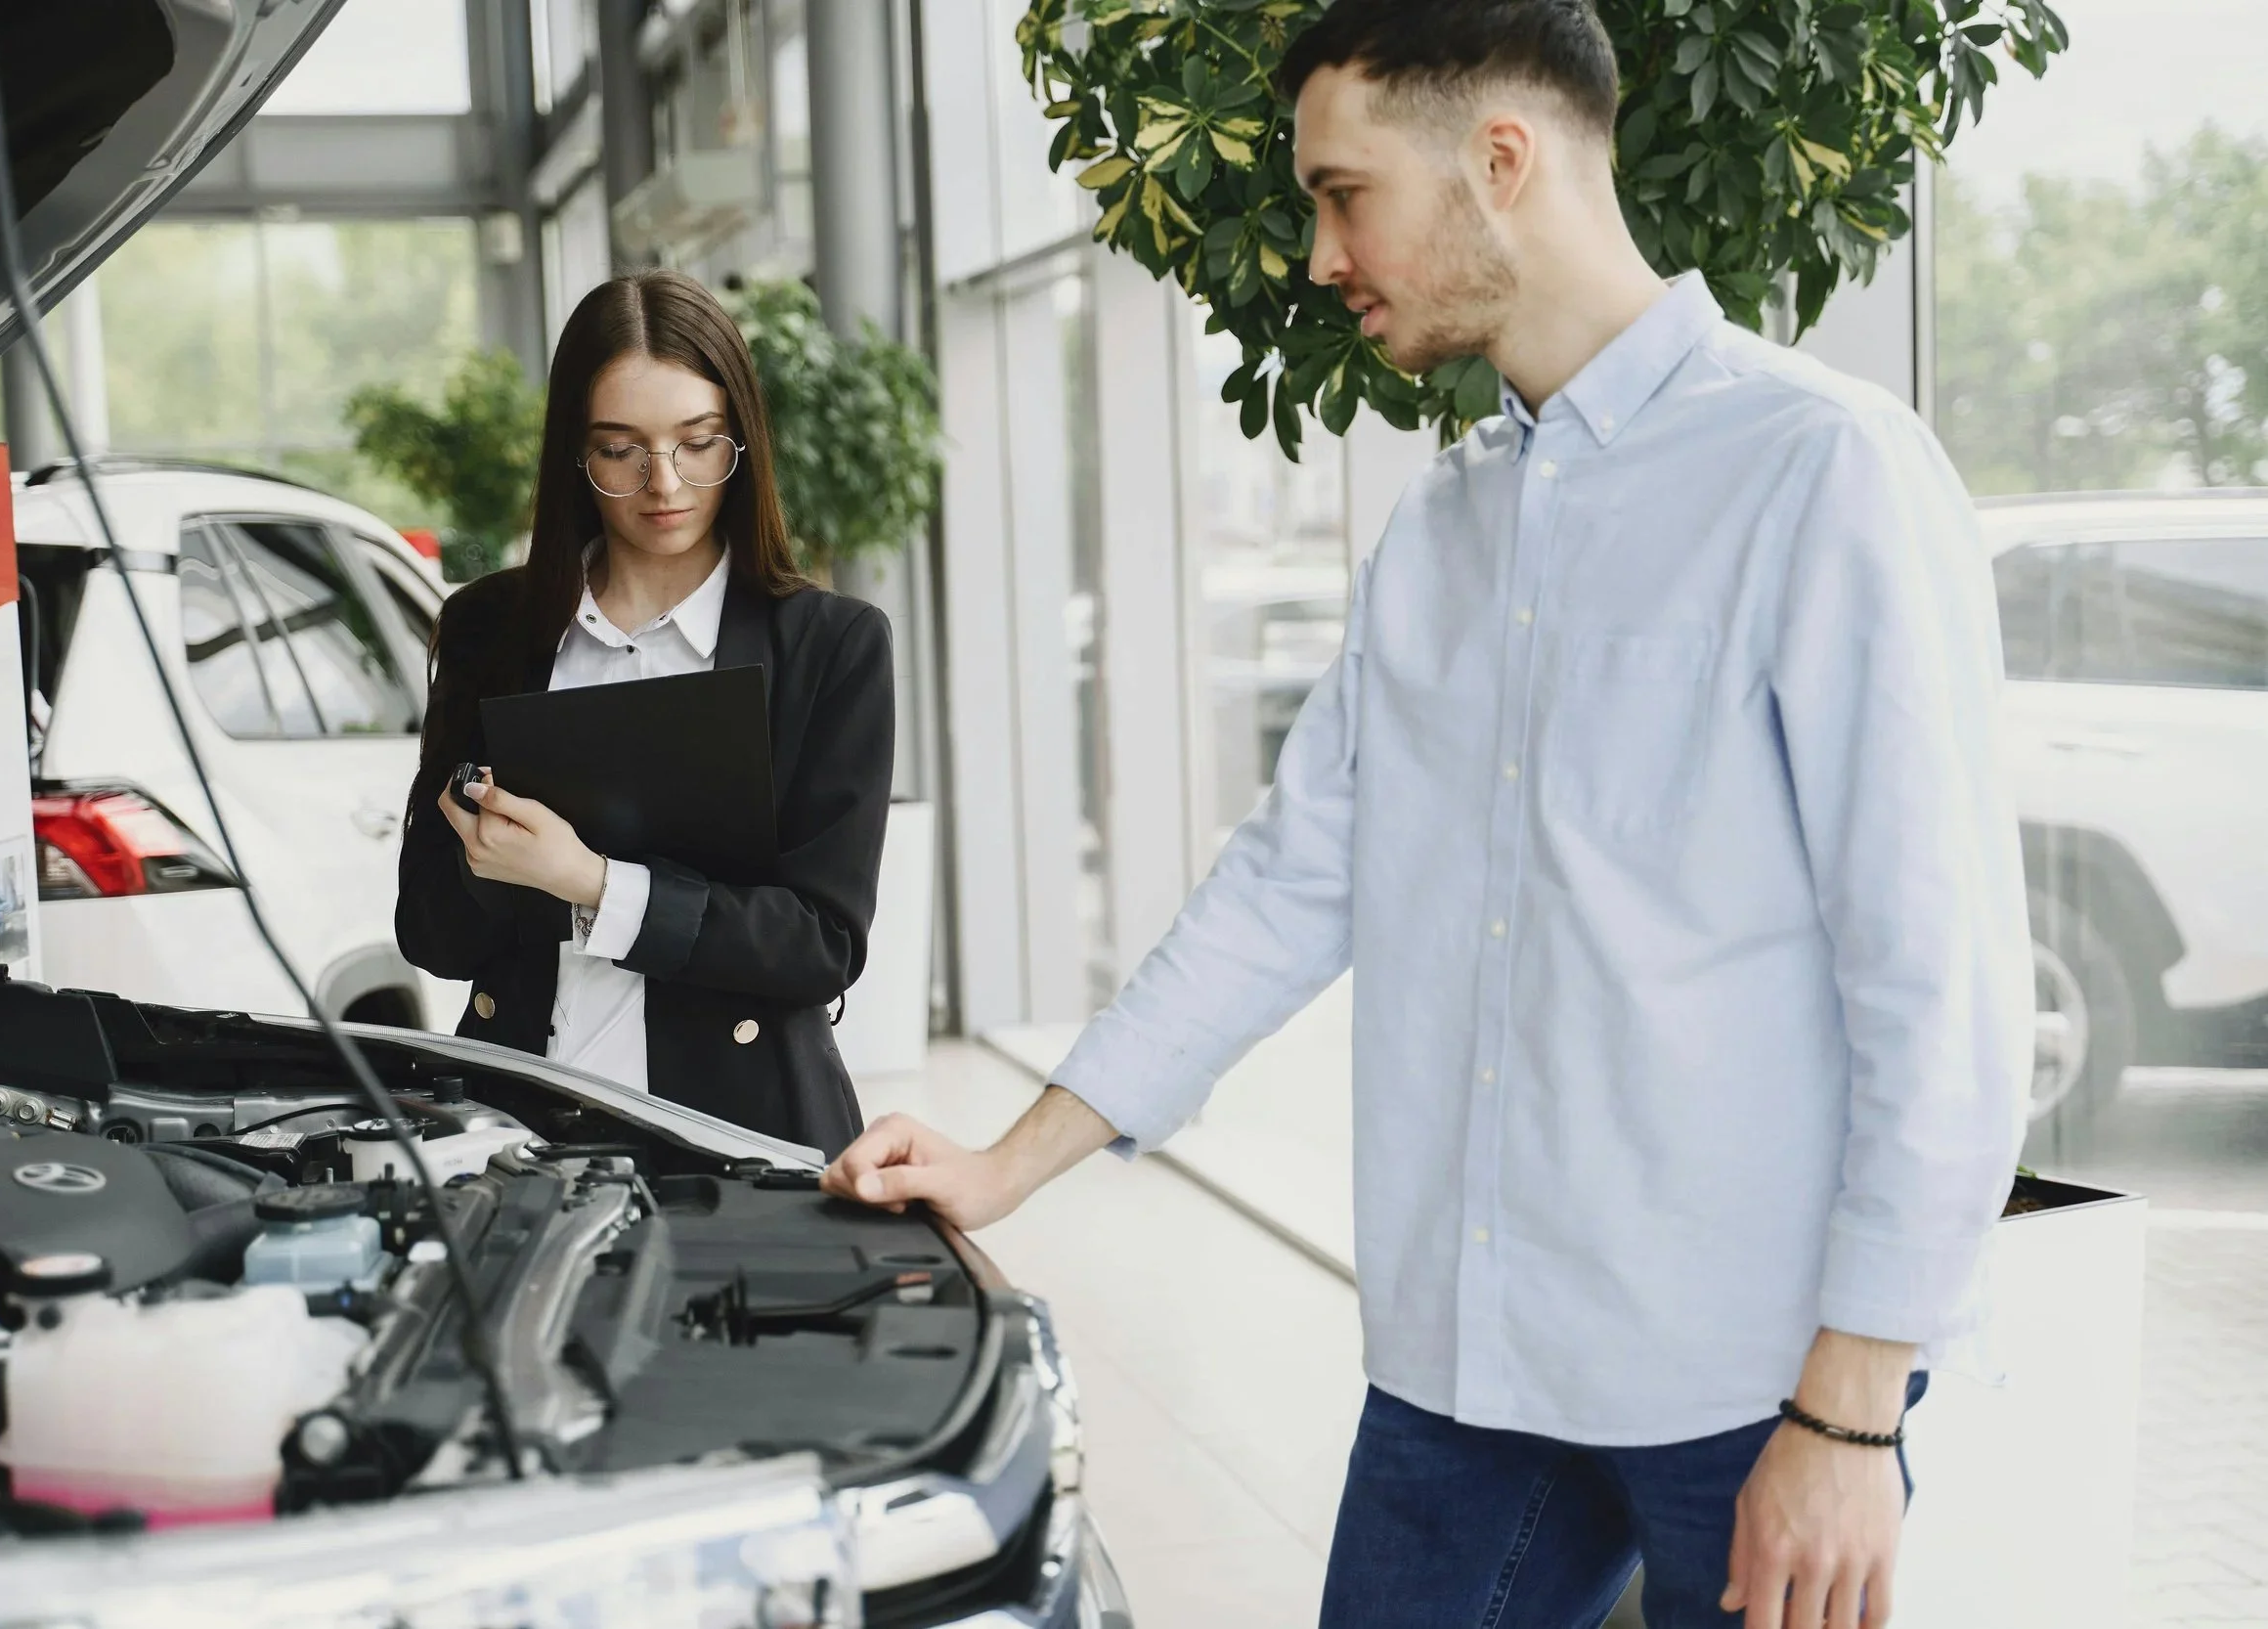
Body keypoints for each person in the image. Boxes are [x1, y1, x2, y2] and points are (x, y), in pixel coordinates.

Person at [822, 2, 2030, 1625]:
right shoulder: (1447, 525)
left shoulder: (1822, 475)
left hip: (1752, 1382)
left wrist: (1853, 1404)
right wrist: (1006, 1161)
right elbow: (1286, 881)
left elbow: (1938, 981)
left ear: (1501, 161)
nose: (1323, 253)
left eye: (1342, 193)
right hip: (1474, 1359)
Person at [398, 269, 893, 1158]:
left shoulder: (831, 645)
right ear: (575, 457)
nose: (664, 484)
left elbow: (821, 943)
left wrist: (591, 882)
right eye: (620, 450)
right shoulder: (490, 630)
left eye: (698, 443)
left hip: (741, 1136)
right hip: (515, 1131)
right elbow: (430, 934)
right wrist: (487, 858)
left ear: (741, 438)